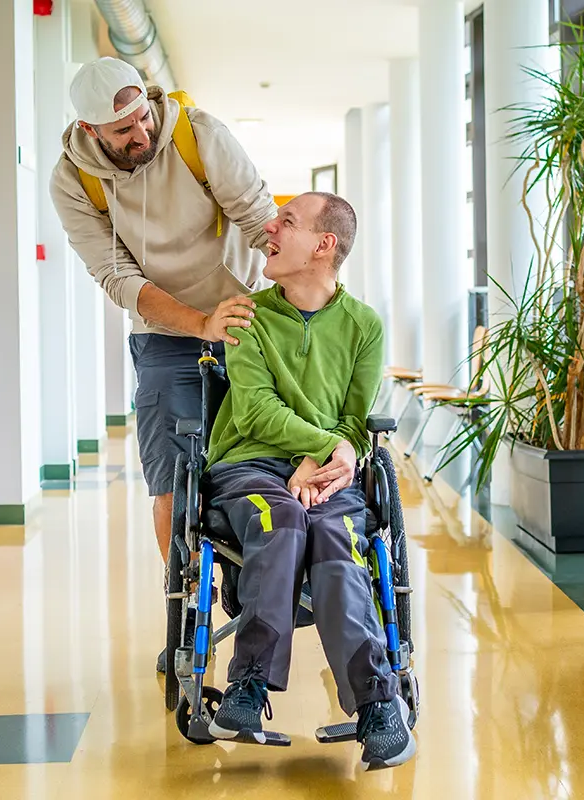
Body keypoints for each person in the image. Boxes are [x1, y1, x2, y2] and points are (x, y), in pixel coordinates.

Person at [202, 192, 416, 771]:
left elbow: (354, 415)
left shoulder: (364, 326)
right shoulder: (247, 316)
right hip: (249, 464)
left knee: (337, 536)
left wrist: (334, 455)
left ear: (325, 245)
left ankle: (376, 703)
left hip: (327, 473)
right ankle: (247, 687)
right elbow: (254, 411)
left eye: (287, 221)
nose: (270, 227)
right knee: (282, 519)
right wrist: (324, 446)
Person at [49, 57, 277, 574]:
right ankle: (185, 600)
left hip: (244, 319)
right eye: (123, 129)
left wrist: (308, 293)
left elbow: (258, 216)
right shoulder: (73, 180)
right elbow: (116, 277)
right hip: (164, 334)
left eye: (143, 117)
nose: (141, 132)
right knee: (173, 478)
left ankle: (258, 580)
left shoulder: (198, 135)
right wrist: (197, 323)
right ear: (90, 129)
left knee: (258, 459)